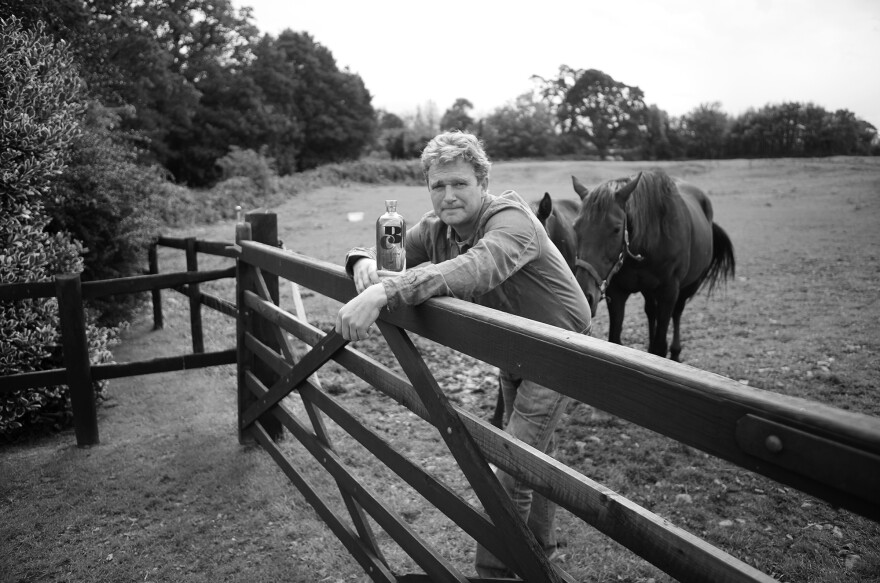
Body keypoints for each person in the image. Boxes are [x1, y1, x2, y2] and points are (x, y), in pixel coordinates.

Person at [335, 130, 591, 578]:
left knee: (511, 466)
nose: (448, 196)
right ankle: (541, 560)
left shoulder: (512, 220)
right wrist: (359, 260)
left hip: (558, 347)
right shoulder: (439, 229)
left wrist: (384, 292)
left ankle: (493, 573)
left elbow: (476, 269)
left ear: (482, 183)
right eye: (438, 186)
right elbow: (388, 255)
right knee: (534, 457)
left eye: (460, 184)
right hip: (513, 348)